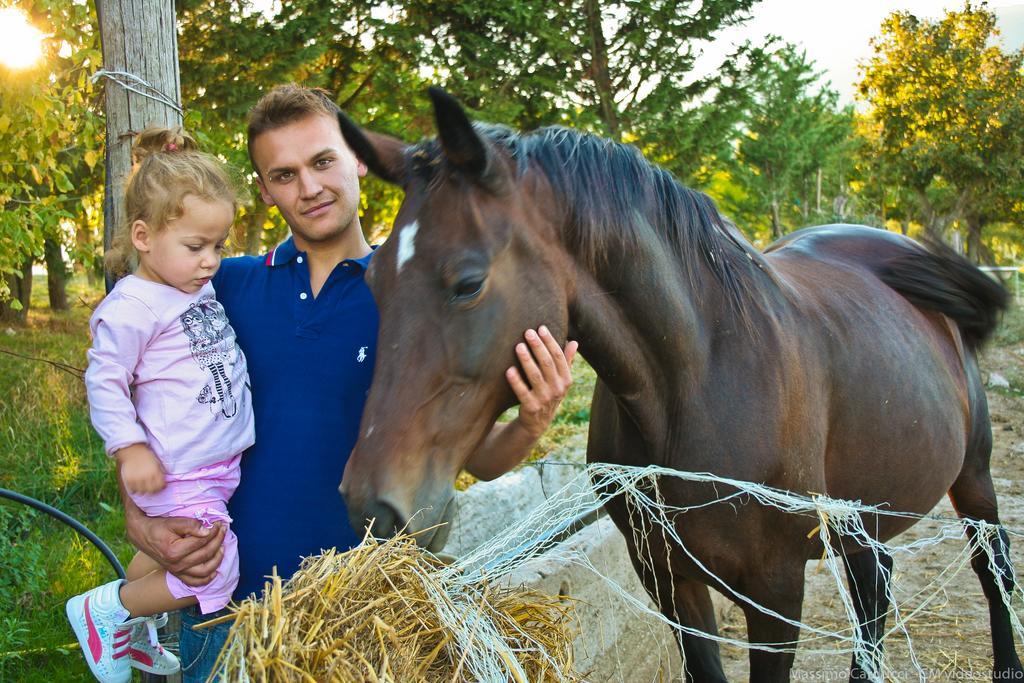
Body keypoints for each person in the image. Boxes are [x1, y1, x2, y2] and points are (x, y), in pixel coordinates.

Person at [120, 85, 578, 682]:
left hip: (354, 623)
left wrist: (531, 422)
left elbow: (480, 463)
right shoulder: (222, 289)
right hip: (222, 611)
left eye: (322, 161)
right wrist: (140, 520)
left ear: (359, 160)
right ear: (264, 189)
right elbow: (143, 406)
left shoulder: (413, 297)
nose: (308, 188)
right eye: (283, 174)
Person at [67, 128, 254, 683]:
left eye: (218, 245)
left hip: (216, 467)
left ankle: (136, 633)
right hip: (179, 469)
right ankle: (110, 609)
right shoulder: (133, 305)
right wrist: (129, 449)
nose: (211, 261)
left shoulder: (192, 287)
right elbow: (104, 379)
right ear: (144, 236)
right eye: (196, 247)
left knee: (163, 554)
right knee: (213, 568)